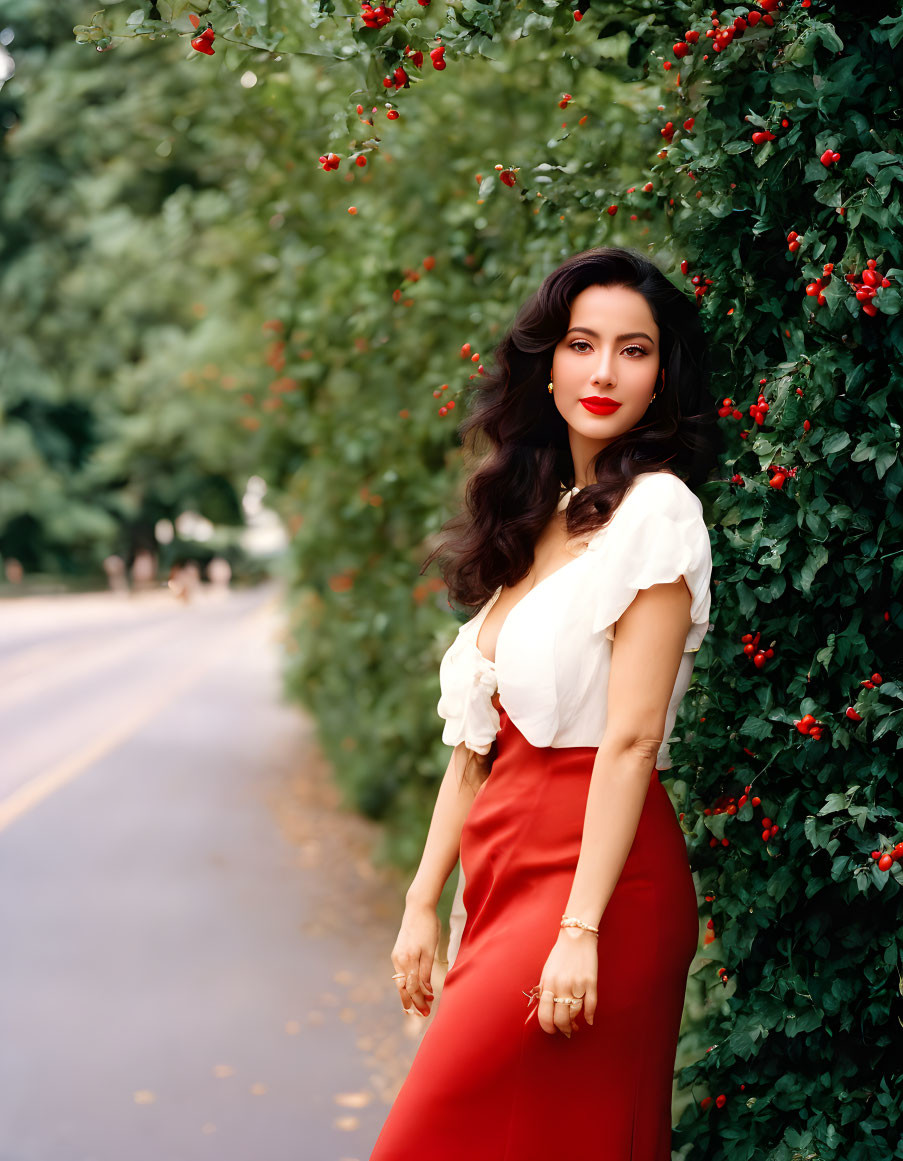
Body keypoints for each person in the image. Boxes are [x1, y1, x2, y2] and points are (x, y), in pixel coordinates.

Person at [369, 246, 724, 1161]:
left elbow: (633, 736)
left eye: (633, 350)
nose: (603, 371)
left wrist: (579, 927)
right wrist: (420, 898)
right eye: (581, 343)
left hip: (600, 879)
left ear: (662, 375)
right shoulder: (542, 513)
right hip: (502, 865)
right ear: (548, 361)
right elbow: (476, 748)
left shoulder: (658, 512)